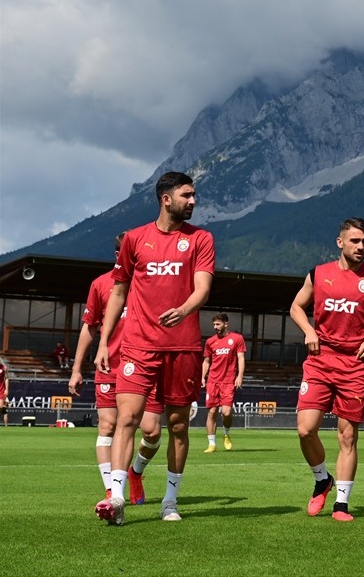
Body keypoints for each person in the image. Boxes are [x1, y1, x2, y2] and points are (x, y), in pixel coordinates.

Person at [93, 172, 215, 525]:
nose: (193, 201)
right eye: (187, 195)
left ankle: (170, 501)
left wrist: (185, 309)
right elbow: (118, 292)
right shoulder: (134, 239)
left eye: (194, 195)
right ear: (166, 199)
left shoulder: (201, 239)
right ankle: (116, 497)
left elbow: (203, 288)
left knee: (177, 427)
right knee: (127, 419)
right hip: (138, 346)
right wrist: (104, 342)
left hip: (183, 348)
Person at [291, 217, 364, 522]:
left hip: (355, 365)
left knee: (347, 436)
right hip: (320, 359)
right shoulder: (319, 274)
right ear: (340, 243)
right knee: (305, 429)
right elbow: (296, 306)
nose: (361, 247)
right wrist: (309, 331)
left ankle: (341, 504)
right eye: (354, 241)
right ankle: (321, 479)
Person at [70, 232, 164, 506]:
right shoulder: (100, 285)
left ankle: (135, 473)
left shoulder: (152, 283)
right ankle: (112, 491)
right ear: (118, 255)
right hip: (110, 366)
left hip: (147, 364)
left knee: (152, 430)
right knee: (108, 425)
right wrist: (77, 368)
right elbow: (89, 328)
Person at [201, 313, 246, 452]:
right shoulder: (210, 341)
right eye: (214, 324)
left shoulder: (237, 339)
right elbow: (207, 360)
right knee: (212, 412)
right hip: (213, 381)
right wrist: (203, 376)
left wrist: (240, 376)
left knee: (226, 413)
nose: (215, 327)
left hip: (228, 381)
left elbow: (241, 358)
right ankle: (211, 444)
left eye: (218, 324)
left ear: (226, 324)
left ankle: (226, 435)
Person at [0, 356, 8, 427]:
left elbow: (6, 378)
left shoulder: (3, 368)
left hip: (0, 390)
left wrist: (7, 389)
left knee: (0, 407)